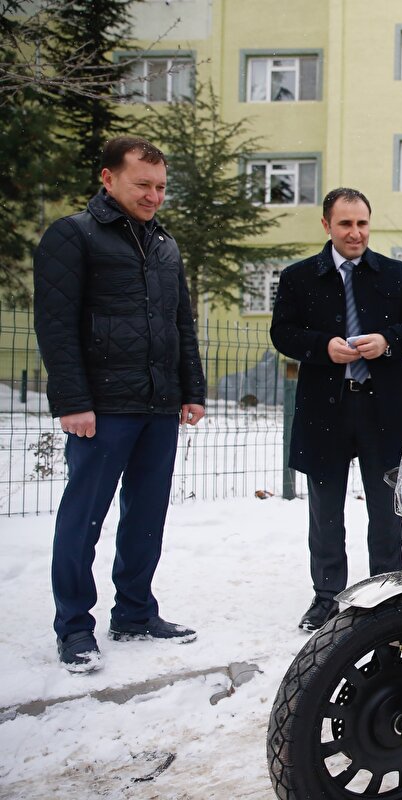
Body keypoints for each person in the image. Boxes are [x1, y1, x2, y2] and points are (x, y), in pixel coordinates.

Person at [33, 136, 207, 673]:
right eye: (142, 185)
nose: (154, 196)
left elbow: (181, 322)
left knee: (146, 516)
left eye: (160, 187)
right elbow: (56, 326)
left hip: (158, 404)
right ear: (108, 179)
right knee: (84, 517)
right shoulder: (73, 236)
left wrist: (191, 389)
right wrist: (72, 400)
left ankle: (133, 612)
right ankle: (74, 627)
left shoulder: (164, 245)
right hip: (101, 407)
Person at [271, 188, 402, 631]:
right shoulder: (300, 277)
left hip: (382, 411)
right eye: (345, 224)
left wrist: (388, 341)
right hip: (325, 410)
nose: (355, 232)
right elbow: (282, 333)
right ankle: (326, 595)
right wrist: (322, 347)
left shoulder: (394, 274)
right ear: (326, 225)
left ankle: (385, 591)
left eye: (362, 223)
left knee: (386, 507)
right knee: (325, 510)